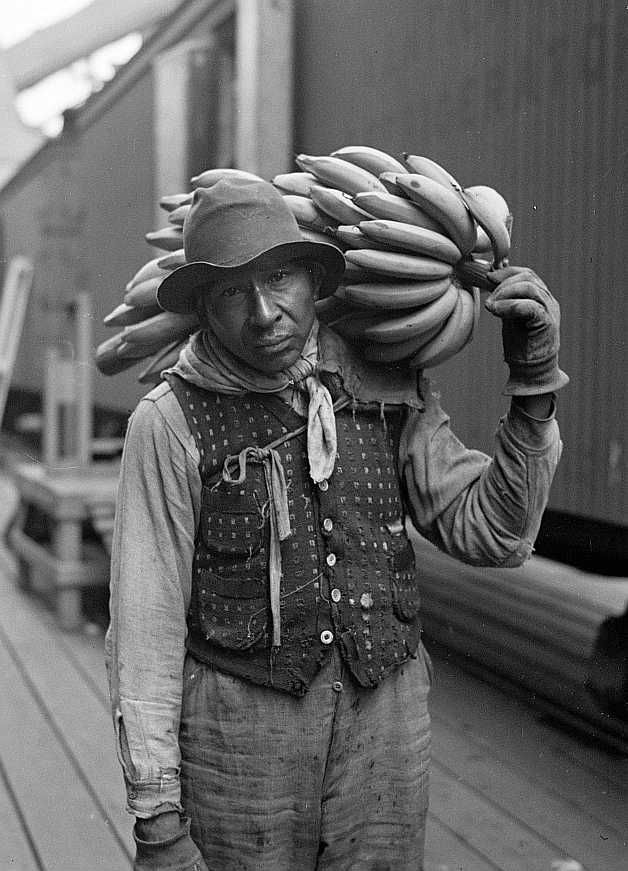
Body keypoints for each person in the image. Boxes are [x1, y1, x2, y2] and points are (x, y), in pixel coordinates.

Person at [105, 177, 568, 870]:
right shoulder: (169, 424)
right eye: (233, 292)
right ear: (204, 307)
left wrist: (533, 377)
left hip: (385, 728)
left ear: (315, 278)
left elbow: (495, 533)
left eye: (281, 276)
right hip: (239, 742)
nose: (263, 312)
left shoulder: (383, 388)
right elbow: (145, 626)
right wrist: (157, 815)